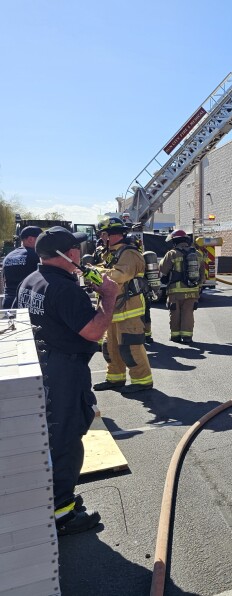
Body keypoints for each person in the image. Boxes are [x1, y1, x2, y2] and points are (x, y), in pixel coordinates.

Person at [17, 226, 119, 535]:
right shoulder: (65, 290)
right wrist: (109, 297)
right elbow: (92, 331)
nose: (80, 254)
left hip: (41, 365)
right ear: (70, 255)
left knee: (49, 436)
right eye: (77, 251)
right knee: (65, 439)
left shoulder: (31, 281)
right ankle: (63, 514)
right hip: (63, 372)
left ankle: (52, 499)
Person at [92, 217, 154, 392]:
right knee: (110, 346)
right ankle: (115, 379)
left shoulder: (130, 254)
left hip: (129, 309)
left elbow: (119, 276)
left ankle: (142, 381)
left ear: (110, 234)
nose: (101, 238)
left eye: (103, 234)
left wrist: (95, 271)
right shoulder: (109, 253)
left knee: (131, 346)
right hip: (111, 309)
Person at [159, 229, 204, 343]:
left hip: (175, 292)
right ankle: (187, 336)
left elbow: (163, 269)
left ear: (175, 242)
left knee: (175, 313)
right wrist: (198, 287)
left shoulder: (172, 253)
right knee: (188, 313)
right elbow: (202, 274)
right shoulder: (198, 254)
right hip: (192, 291)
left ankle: (175, 336)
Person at [1, 226, 42, 308]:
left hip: (8, 302)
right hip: (26, 303)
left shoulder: (8, 256)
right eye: (40, 238)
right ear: (30, 239)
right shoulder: (36, 255)